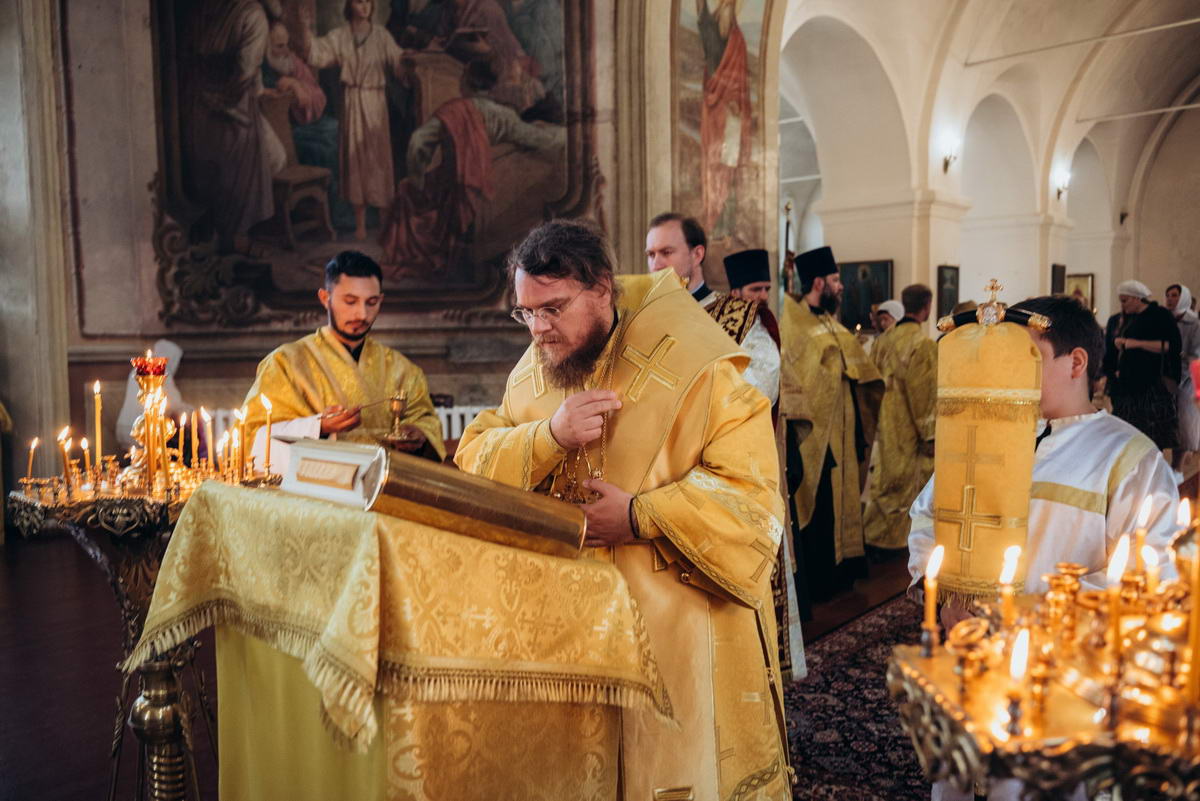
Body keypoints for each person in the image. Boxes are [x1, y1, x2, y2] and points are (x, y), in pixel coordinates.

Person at [455, 220, 790, 800]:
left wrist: (639, 516)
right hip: (569, 630)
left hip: (676, 626)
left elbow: (753, 496)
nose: (538, 329)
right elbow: (474, 458)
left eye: (553, 309)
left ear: (602, 289)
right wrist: (548, 436)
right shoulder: (536, 367)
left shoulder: (702, 361)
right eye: (526, 312)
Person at [908, 294, 1179, 801]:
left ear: (1076, 362)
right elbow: (928, 513)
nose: (1007, 368)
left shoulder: (1129, 459)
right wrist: (942, 589)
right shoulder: (984, 433)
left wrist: (1025, 618)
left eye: (1026, 356)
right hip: (971, 653)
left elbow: (1147, 580)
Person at [242, 251, 445, 471]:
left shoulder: (403, 369)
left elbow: (426, 421)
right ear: (325, 298)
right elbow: (252, 435)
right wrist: (318, 427)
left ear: (381, 300)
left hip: (386, 485)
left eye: (371, 302)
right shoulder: (285, 362)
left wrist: (419, 435)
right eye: (350, 301)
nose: (362, 314)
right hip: (316, 485)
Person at [380, 58, 563, 274]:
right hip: (484, 186)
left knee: (406, 192)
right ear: (491, 85)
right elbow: (537, 139)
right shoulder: (502, 114)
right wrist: (563, 134)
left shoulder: (451, 110)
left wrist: (417, 178)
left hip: (449, 187)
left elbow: (418, 141)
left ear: (465, 82)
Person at [780, 246, 884, 618]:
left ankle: (844, 571)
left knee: (844, 495)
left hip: (843, 426)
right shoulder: (793, 322)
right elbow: (801, 376)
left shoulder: (828, 321)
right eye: (836, 280)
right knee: (821, 498)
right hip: (816, 434)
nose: (841, 286)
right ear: (819, 282)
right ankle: (822, 580)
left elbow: (856, 366)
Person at [645, 213, 779, 406]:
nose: (656, 265)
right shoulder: (643, 317)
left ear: (697, 254)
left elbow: (761, 390)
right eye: (651, 255)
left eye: (666, 252)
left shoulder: (740, 316)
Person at [301, 0, 408, 241]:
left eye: (369, 1)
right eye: (360, 1)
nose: (365, 6)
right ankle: (360, 225)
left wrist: (407, 63)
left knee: (378, 161)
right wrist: (305, 31)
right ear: (350, 5)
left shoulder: (381, 35)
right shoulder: (340, 35)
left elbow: (398, 61)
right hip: (352, 102)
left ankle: (384, 223)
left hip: (375, 102)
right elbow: (317, 54)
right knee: (355, 161)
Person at [185, 0, 279, 252]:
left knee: (234, 174)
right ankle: (227, 240)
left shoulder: (246, 13)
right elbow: (244, 71)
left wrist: (220, 99)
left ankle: (233, 240)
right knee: (225, 171)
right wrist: (221, 99)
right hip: (220, 107)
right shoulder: (240, 13)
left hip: (221, 105)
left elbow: (246, 69)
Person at [863, 285, 936, 551]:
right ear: (926, 308)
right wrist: (930, 434)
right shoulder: (922, 344)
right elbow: (924, 395)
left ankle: (873, 538)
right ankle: (894, 545)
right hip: (908, 430)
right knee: (906, 486)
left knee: (884, 483)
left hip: (883, 425)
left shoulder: (883, 340)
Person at [1102, 280, 1182, 452]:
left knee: (1151, 436)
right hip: (1126, 385)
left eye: (1125, 300)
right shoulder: (1125, 318)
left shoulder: (1160, 315)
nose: (1122, 305)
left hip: (1151, 384)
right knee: (1126, 435)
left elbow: (1172, 346)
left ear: (1137, 298)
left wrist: (1136, 343)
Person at [1166, 284, 1200, 466]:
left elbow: (1196, 354)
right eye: (1168, 295)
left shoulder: (1194, 323)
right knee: (1168, 426)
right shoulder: (1164, 319)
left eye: (1174, 295)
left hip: (1187, 378)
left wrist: (1178, 354)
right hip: (1166, 378)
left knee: (1185, 425)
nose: (1170, 299)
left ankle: (1179, 467)